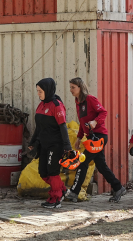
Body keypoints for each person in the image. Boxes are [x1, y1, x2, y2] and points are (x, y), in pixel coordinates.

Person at [63, 78, 127, 203]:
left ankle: (74, 192)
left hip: (99, 136)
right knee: (101, 166)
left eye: (73, 87)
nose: (70, 90)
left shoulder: (90, 99)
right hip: (91, 137)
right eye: (70, 87)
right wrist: (79, 138)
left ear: (80, 87)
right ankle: (118, 187)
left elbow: (103, 112)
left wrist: (95, 121)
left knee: (83, 161)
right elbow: (82, 123)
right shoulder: (78, 102)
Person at [28, 78, 72, 209]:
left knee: (53, 172)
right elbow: (39, 128)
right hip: (44, 144)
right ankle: (62, 190)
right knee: (43, 172)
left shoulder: (56, 105)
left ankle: (56, 198)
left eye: (40, 91)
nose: (38, 94)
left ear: (47, 90)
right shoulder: (41, 105)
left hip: (56, 145)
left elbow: (63, 127)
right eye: (37, 91)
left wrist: (67, 146)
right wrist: (33, 142)